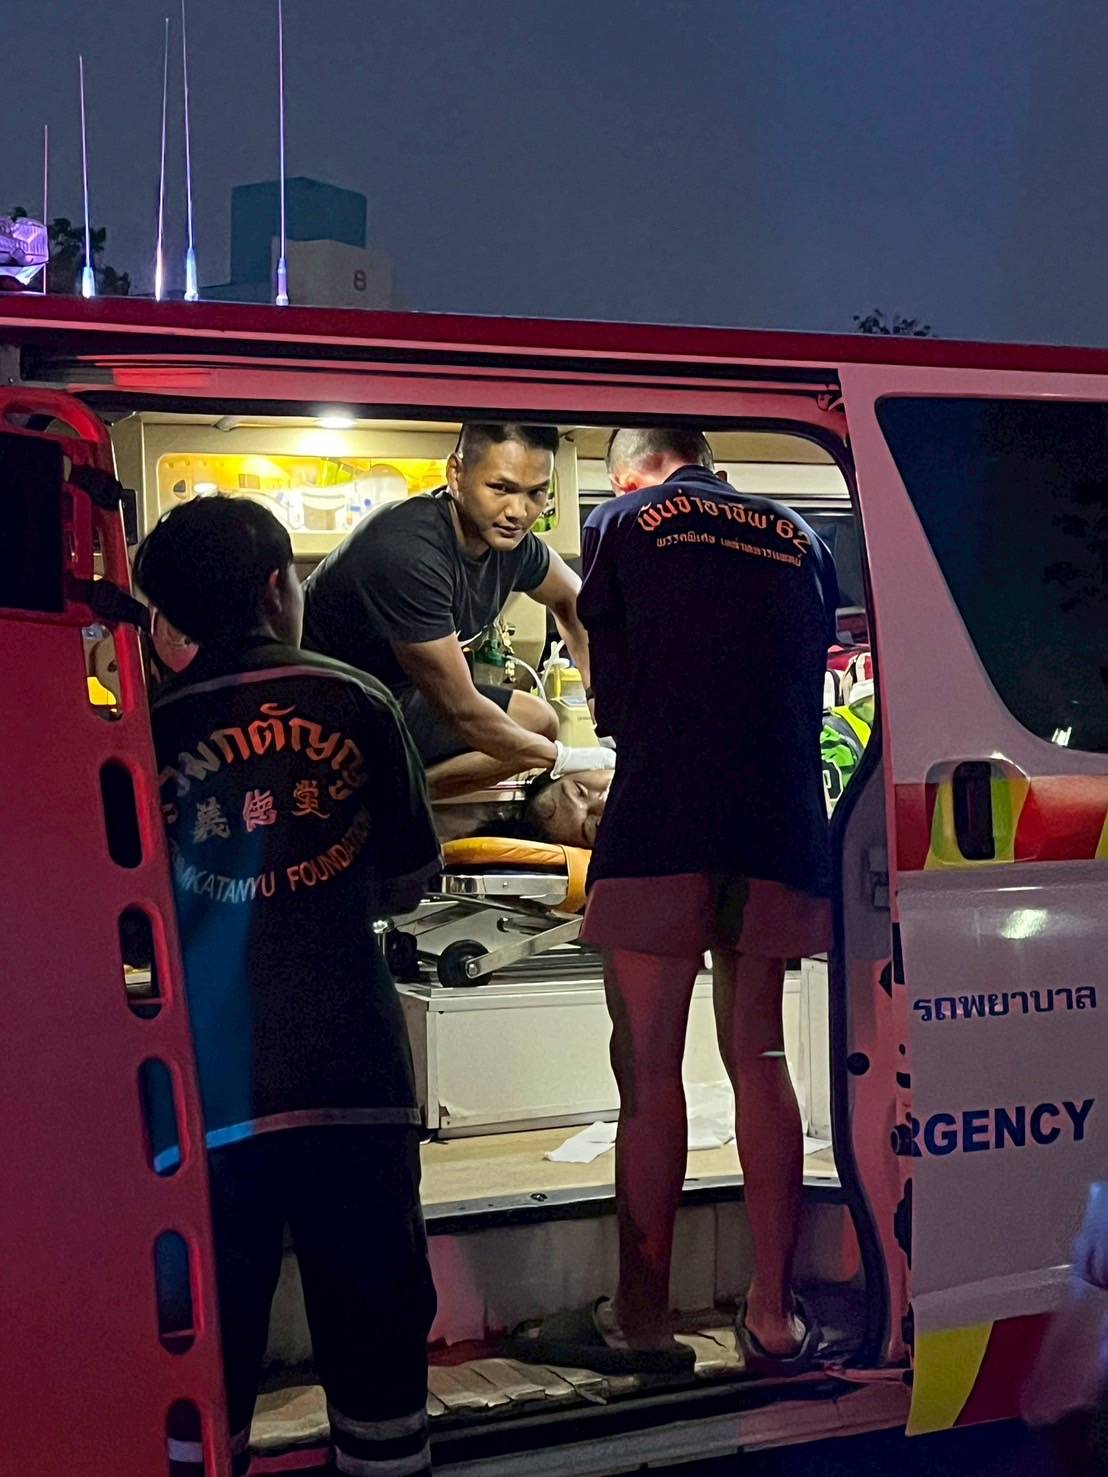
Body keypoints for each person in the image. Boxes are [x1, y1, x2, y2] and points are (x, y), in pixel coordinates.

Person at [515, 428, 839, 1380]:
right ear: (712, 464)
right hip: (780, 821)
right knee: (762, 1056)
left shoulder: (624, 520)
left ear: (631, 471)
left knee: (651, 1070)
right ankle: (773, 1317)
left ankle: (644, 1320)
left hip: (664, 816)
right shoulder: (803, 538)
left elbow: (611, 699)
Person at [132, 496, 441, 1477]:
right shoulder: (359, 697)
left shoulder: (143, 734)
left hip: (204, 1092)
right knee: (377, 1342)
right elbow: (409, 876)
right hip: (352, 1075)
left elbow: (128, 917)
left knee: (204, 1352)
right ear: (278, 588)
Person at [302, 422, 613, 799]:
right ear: (456, 474)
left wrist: (601, 698)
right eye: (500, 488)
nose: (518, 511)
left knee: (539, 722)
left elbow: (575, 601)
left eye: (536, 493)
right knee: (528, 738)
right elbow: (462, 710)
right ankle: (385, 803)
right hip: (318, 710)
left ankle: (400, 798)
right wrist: (567, 758)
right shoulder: (409, 551)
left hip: (393, 694)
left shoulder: (512, 545)